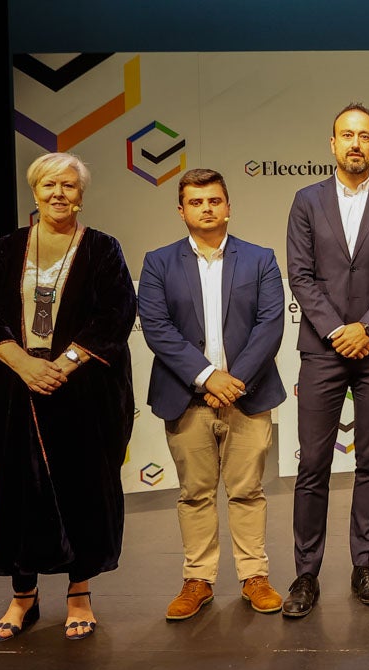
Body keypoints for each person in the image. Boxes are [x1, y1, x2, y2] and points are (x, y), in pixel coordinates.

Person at [0, 151, 136, 641]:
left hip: (82, 388)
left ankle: (79, 592)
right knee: (17, 489)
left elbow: (114, 315)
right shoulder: (7, 249)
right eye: (49, 186)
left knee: (82, 487)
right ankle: (23, 597)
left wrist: (63, 365)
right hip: (16, 389)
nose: (58, 194)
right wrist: (23, 364)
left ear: (81, 195)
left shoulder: (103, 249)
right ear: (35, 192)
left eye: (67, 186)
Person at [283, 103, 369, 617]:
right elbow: (301, 274)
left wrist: (367, 328)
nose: (356, 143)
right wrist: (340, 331)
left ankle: (364, 566)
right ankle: (306, 574)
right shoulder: (306, 201)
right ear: (332, 144)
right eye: (347, 135)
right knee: (313, 465)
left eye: (365, 136)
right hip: (323, 347)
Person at [138, 169, 287, 621]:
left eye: (215, 200)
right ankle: (198, 580)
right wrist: (207, 377)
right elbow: (157, 328)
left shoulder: (260, 259)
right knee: (195, 493)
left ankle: (253, 577)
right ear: (181, 210)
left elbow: (271, 324)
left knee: (248, 490)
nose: (207, 208)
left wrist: (232, 380)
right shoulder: (158, 262)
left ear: (228, 206)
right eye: (197, 201)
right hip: (186, 398)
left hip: (248, 395)